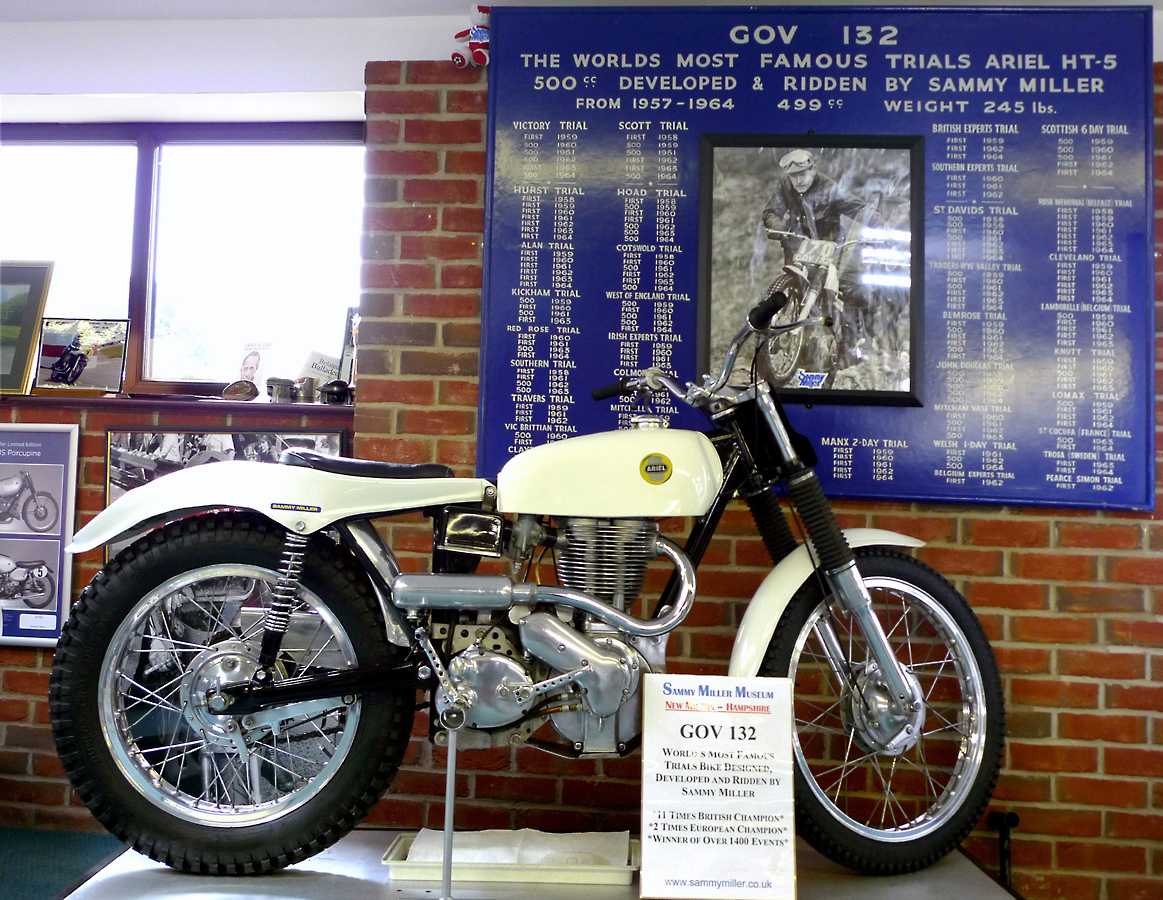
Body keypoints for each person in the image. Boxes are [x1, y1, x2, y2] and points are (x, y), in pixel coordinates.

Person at [760, 149, 873, 368]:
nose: (798, 180)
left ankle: (848, 348)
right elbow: (770, 212)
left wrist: (880, 229)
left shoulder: (830, 188)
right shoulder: (785, 186)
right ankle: (789, 342)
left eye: (803, 174)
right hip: (798, 247)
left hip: (829, 248)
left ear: (813, 169)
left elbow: (860, 209)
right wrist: (781, 228)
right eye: (794, 176)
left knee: (851, 289)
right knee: (795, 290)